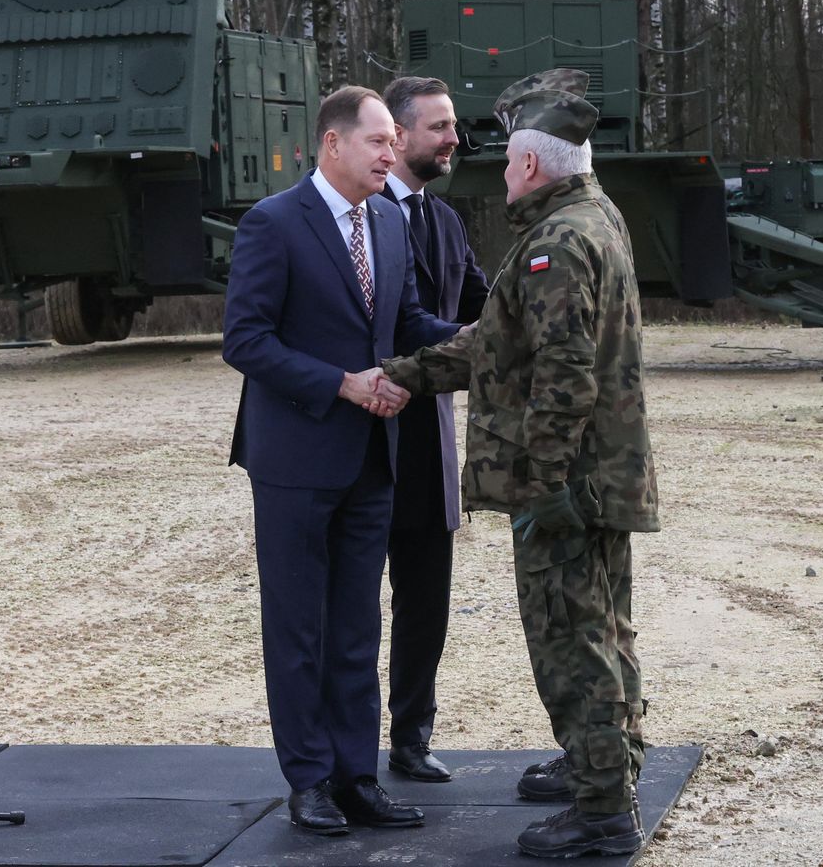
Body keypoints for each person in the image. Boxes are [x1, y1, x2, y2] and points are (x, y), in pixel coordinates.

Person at [381, 69, 658, 859]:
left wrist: (540, 486)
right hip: (601, 475)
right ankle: (603, 766)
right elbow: (498, 342)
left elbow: (561, 375)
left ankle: (603, 811)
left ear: (531, 166)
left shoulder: (559, 244)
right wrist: (408, 375)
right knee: (605, 626)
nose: (501, 171)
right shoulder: (592, 214)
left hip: (570, 484)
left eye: (507, 161)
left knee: (574, 642)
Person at [222, 85, 459, 837]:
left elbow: (410, 321)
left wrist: (486, 340)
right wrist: (340, 384)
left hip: (374, 462)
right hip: (295, 458)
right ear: (333, 145)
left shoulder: (390, 221)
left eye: (394, 142)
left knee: (357, 628)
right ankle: (310, 782)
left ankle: (359, 778)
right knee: (299, 629)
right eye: (380, 141)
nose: (392, 154)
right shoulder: (271, 224)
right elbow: (246, 340)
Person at [378, 77, 490, 783]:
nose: (454, 139)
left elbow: (485, 300)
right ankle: (350, 746)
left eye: (453, 127)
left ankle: (411, 736)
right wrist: (472, 339)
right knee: (354, 609)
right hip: (364, 435)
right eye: (441, 127)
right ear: (398, 134)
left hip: (427, 441)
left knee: (426, 601)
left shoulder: (445, 221)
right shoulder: (356, 216)